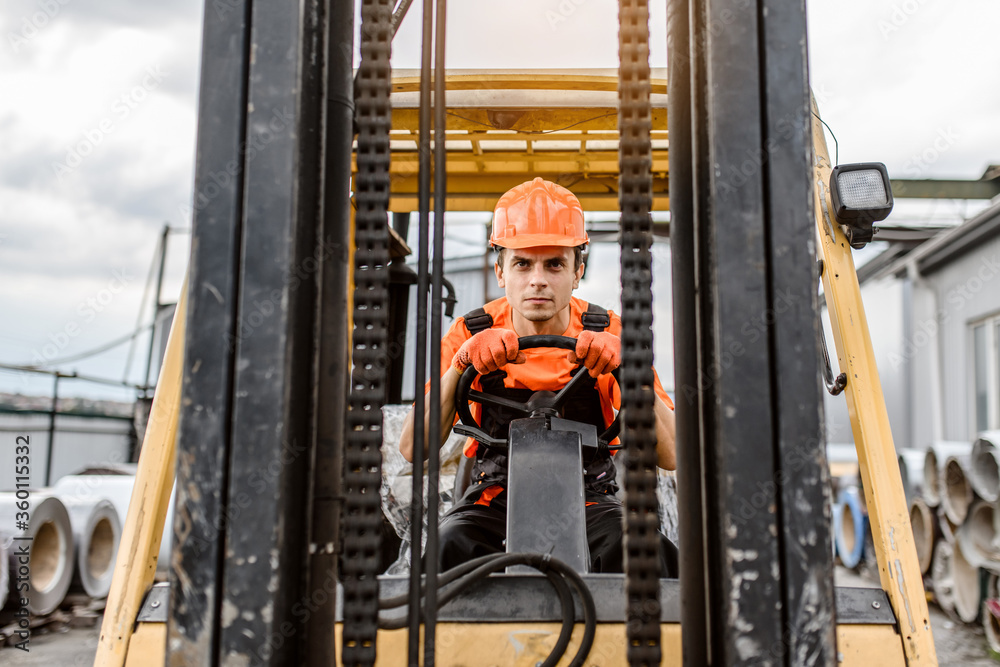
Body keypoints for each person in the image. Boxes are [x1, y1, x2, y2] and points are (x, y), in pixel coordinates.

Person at [399, 177, 676, 573]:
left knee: (639, 550)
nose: (538, 280)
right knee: (448, 549)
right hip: (494, 498)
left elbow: (670, 454)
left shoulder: (609, 332)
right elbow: (413, 447)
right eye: (522, 263)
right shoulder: (470, 333)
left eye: (555, 264)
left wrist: (631, 372)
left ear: (577, 270)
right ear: (500, 270)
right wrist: (460, 365)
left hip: (589, 499)